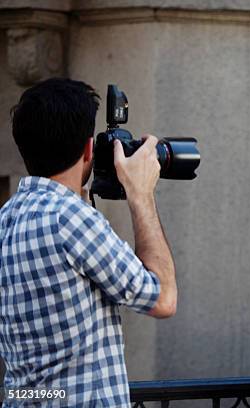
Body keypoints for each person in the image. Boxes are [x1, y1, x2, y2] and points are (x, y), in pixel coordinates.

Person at [0, 78, 177, 407]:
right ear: (88, 150)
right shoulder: (70, 220)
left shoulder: (7, 217)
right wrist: (140, 193)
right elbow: (163, 299)